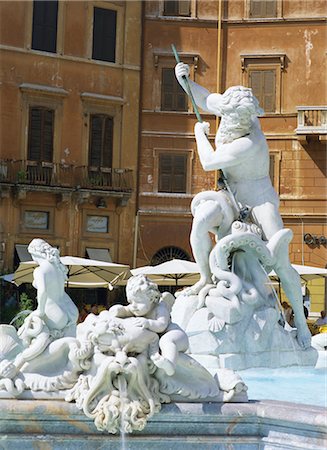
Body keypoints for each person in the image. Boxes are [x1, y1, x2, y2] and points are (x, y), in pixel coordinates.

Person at [174, 62, 312, 349]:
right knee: (201, 222)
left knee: (281, 259)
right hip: (230, 196)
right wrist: (184, 80)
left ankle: (299, 320)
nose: (231, 122)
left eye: (238, 118)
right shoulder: (227, 110)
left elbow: (210, 161)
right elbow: (204, 98)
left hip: (259, 199)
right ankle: (204, 277)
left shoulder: (250, 141)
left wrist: (200, 133)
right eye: (227, 116)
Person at [108, 274, 189, 376]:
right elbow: (126, 310)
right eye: (130, 301)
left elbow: (161, 326)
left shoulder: (160, 308)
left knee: (166, 341)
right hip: (158, 339)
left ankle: (170, 365)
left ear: (151, 299)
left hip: (175, 335)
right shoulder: (137, 308)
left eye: (137, 302)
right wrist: (118, 310)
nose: (133, 306)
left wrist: (148, 323)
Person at [27, 238, 78, 337]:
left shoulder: (40, 270)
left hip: (53, 314)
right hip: (70, 311)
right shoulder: (59, 269)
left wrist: (40, 310)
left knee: (27, 327)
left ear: (35, 253)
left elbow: (43, 291)